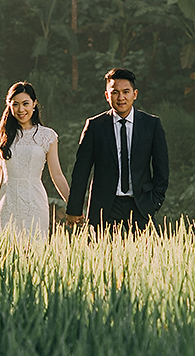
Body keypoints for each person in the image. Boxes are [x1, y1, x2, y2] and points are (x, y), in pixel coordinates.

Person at [65, 68, 169, 233]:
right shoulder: (95, 126)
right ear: (107, 95)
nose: (121, 97)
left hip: (140, 207)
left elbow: (162, 169)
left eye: (126, 92)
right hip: (104, 209)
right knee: (102, 258)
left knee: (146, 257)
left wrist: (154, 202)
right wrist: (74, 209)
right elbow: (81, 172)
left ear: (134, 94)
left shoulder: (151, 125)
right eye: (115, 92)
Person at [0, 82, 70, 241]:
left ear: (34, 104)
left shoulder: (47, 136)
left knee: (35, 251)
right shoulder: (0, 136)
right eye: (15, 104)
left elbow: (57, 174)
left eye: (25, 104)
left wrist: (72, 204)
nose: (21, 109)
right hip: (8, 201)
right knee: (8, 253)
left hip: (35, 202)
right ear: (9, 106)